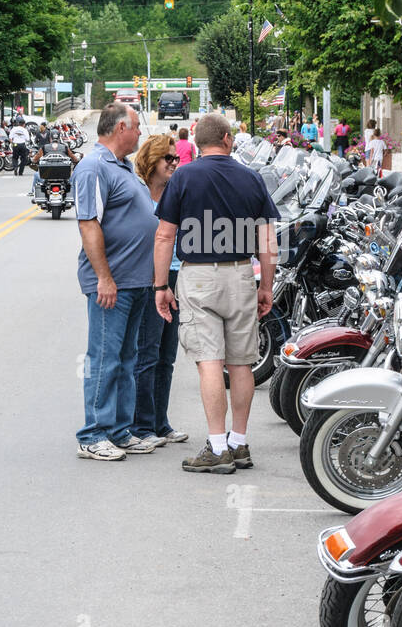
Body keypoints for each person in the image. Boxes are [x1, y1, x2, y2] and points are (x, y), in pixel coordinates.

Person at [153, 112, 280, 474]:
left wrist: (161, 286)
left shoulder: (184, 178)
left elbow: (164, 236)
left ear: (198, 142)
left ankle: (217, 445)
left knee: (209, 361)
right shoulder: (251, 177)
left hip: (198, 276)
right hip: (241, 273)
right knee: (241, 363)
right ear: (226, 138)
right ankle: (239, 443)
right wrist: (266, 285)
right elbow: (267, 240)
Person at [74, 101, 160, 461]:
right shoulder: (94, 167)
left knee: (127, 358)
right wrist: (104, 278)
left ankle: (119, 430)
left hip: (136, 281)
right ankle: (93, 433)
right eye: (137, 126)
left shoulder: (124, 166)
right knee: (106, 358)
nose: (141, 132)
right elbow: (88, 223)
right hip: (114, 284)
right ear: (120, 128)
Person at [132, 134, 189, 445]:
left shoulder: (176, 192)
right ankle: (141, 426)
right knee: (147, 353)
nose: (174, 163)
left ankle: (160, 422)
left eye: (175, 157)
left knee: (167, 355)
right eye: (168, 158)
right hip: (151, 278)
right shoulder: (139, 195)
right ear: (151, 160)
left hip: (177, 276)